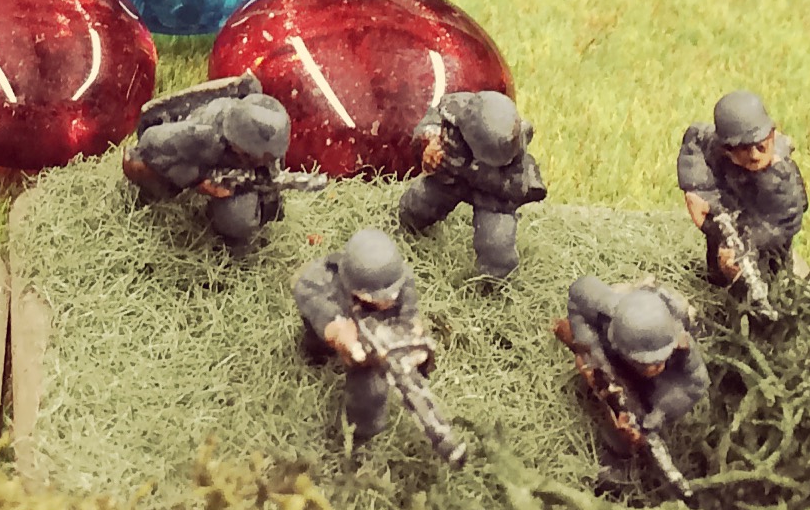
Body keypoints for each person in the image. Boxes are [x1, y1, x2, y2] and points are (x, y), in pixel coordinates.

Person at [293, 226, 443, 451]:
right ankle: (316, 353)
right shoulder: (322, 278)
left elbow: (410, 317)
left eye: (392, 293)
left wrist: (411, 346)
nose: (389, 299)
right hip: (338, 320)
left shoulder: (400, 279)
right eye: (378, 297)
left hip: (380, 335)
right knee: (317, 343)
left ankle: (361, 435)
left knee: (371, 391)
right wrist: (336, 330)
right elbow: (308, 296)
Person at [124, 74, 299, 251]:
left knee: (239, 218)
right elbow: (150, 142)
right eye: (254, 157)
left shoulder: (267, 142)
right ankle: (152, 196)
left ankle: (230, 235)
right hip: (191, 156)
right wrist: (199, 180)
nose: (263, 161)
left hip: (229, 171)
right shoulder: (201, 133)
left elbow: (272, 177)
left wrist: (266, 202)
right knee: (141, 165)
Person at [556, 276, 708, 476]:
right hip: (618, 341)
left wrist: (660, 411)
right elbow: (577, 293)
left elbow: (697, 384)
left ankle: (622, 455)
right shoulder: (607, 309)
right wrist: (592, 351)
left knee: (634, 420)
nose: (653, 368)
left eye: (658, 361)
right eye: (644, 363)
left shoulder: (681, 343)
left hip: (662, 381)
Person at [398, 88, 545, 283]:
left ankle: (494, 285)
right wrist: (429, 143)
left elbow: (519, 187)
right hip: (450, 179)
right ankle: (405, 231)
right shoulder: (454, 112)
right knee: (416, 205)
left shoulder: (515, 150)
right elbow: (428, 125)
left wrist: (479, 175)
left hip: (492, 198)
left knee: (497, 248)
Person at [680, 89, 810, 286]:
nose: (755, 155)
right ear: (726, 147)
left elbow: (785, 223)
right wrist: (698, 189)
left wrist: (746, 245)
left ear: (771, 135)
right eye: (743, 148)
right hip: (728, 216)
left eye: (761, 146)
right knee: (718, 267)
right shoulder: (715, 147)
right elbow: (694, 139)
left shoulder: (781, 177)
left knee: (769, 277)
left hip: (766, 234)